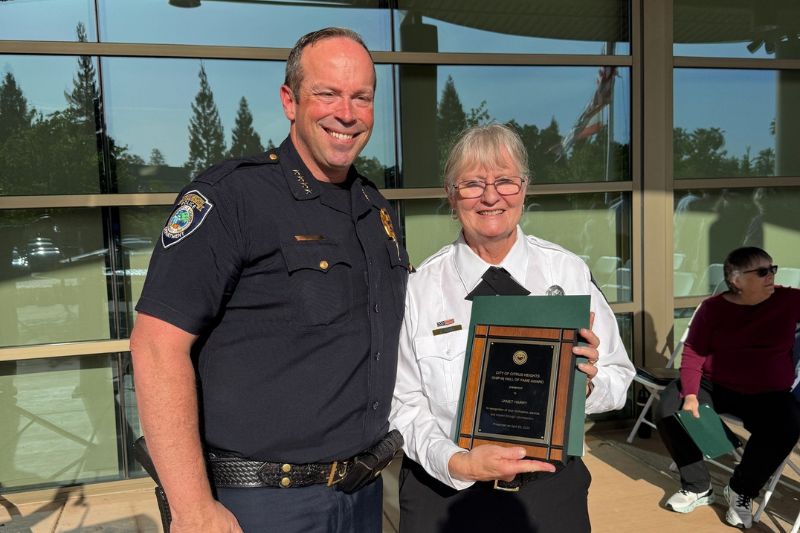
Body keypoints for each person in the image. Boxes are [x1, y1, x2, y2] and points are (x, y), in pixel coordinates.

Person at [130, 27, 409, 533]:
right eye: (326, 93)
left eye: (361, 97)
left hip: (362, 494)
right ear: (289, 100)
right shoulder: (231, 198)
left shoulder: (376, 209)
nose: (346, 113)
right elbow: (155, 346)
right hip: (261, 507)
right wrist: (193, 509)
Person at [389, 123, 635, 533]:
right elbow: (404, 402)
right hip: (446, 494)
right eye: (472, 184)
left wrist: (584, 387)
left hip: (550, 493)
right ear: (451, 197)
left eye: (505, 181)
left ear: (524, 189)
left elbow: (619, 379)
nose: (490, 196)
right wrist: (456, 462)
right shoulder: (420, 288)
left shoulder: (567, 271)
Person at [655, 246, 800, 529]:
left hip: (768, 392)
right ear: (736, 280)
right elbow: (694, 353)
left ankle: (741, 490)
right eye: (761, 271)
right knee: (668, 406)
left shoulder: (790, 300)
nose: (770, 276)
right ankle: (697, 486)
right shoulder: (714, 309)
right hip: (717, 384)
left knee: (787, 425)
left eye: (772, 269)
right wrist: (692, 395)